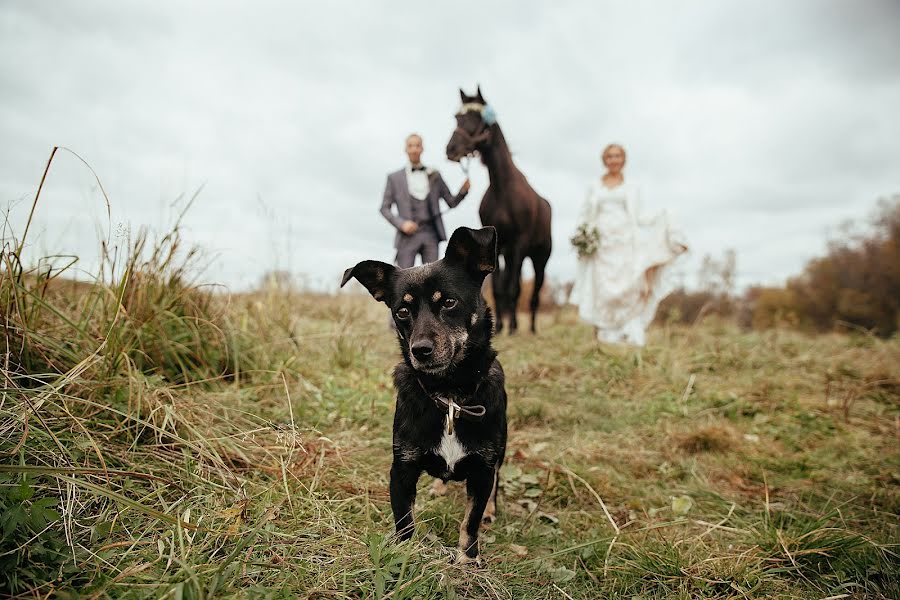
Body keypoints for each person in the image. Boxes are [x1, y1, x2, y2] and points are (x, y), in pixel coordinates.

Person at [570, 143, 688, 346]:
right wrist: (582, 236)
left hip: (625, 243)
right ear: (604, 160)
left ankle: (629, 332)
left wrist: (665, 217)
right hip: (602, 244)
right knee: (603, 288)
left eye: (617, 156)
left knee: (629, 287)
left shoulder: (633, 187)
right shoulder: (594, 187)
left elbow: (640, 216)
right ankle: (604, 334)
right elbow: (585, 214)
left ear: (624, 160)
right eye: (610, 156)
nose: (614, 160)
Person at [381, 133, 470, 268]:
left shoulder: (435, 175)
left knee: (432, 281)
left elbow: (451, 202)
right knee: (403, 280)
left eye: (417, 145)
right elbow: (384, 208)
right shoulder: (394, 178)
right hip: (406, 238)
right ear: (406, 149)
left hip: (431, 235)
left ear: (422, 148)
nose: (414, 149)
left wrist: (463, 192)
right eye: (411, 146)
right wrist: (402, 224)